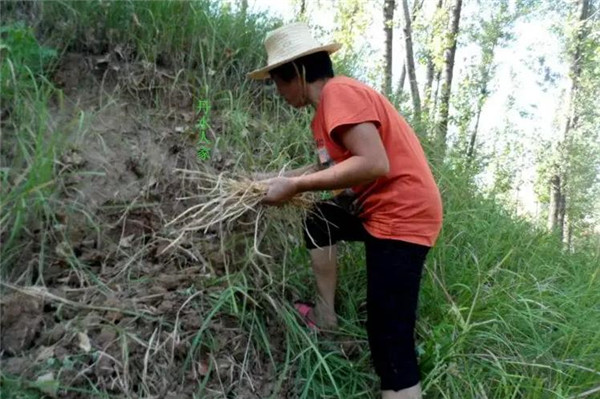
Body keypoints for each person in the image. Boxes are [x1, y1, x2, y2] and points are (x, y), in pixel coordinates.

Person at [247, 22, 443, 399]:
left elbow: (374, 163)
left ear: (298, 74)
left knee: (388, 332)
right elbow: (328, 170)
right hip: (376, 209)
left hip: (403, 215)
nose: (277, 91)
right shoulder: (323, 114)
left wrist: (295, 187)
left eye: (277, 81)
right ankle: (326, 316)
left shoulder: (340, 94)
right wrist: (273, 178)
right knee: (320, 220)